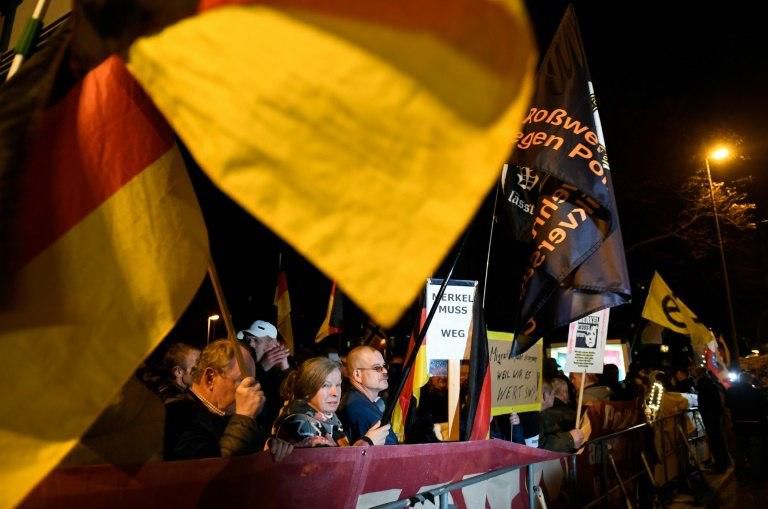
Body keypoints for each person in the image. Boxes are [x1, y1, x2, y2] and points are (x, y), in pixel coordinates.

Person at [164, 339, 292, 461]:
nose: (251, 392)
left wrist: (268, 447)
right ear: (210, 378)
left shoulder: (225, 412)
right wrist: (244, 418)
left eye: (252, 382)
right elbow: (211, 472)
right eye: (242, 381)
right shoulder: (179, 414)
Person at [273, 356, 391, 447]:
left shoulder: (330, 418)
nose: (335, 393)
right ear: (307, 390)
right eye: (326, 385)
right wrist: (368, 442)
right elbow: (329, 471)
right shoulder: (299, 423)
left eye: (338, 385)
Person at [338, 346, 398, 444]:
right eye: (377, 368)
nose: (385, 371)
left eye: (384, 366)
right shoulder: (359, 406)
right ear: (357, 375)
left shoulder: (357, 400)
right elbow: (390, 446)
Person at [237, 320, 292, 426]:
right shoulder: (241, 365)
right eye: (248, 340)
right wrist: (261, 368)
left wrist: (285, 368)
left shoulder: (284, 370)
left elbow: (295, 398)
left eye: (256, 341)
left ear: (273, 345)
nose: (250, 344)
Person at [539, 379, 584, 452]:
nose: (554, 397)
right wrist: (570, 438)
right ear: (544, 395)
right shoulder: (541, 416)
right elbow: (540, 446)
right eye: (553, 394)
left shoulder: (540, 414)